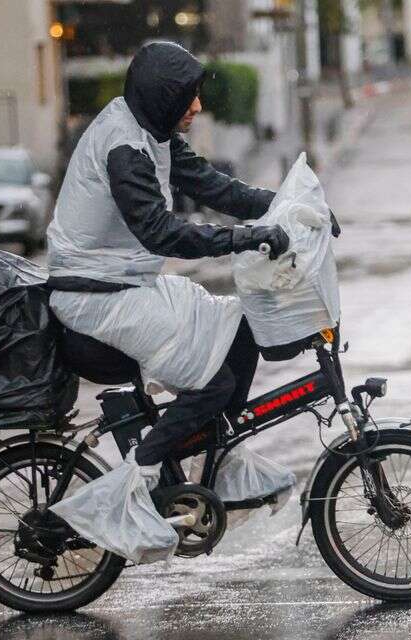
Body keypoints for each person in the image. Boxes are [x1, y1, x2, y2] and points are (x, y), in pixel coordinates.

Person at [46, 41, 290, 466]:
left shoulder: (151, 129)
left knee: (244, 330)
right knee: (213, 384)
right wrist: (243, 239)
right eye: (186, 96)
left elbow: (212, 185)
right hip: (95, 297)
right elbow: (159, 233)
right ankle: (139, 482)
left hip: (126, 285)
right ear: (162, 97)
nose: (196, 105)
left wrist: (293, 205)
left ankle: (214, 461)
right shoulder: (124, 148)